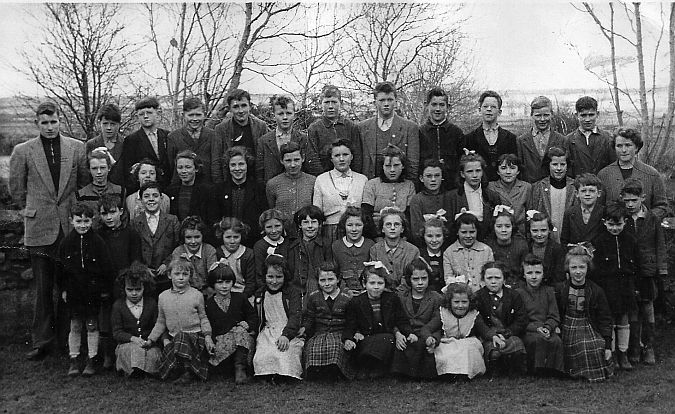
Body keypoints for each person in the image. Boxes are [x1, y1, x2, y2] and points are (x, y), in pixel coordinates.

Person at [9, 101, 90, 360]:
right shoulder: (23, 151)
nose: (50, 127)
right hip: (39, 228)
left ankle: (69, 339)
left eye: (53, 122)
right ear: (37, 123)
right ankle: (42, 340)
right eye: (44, 123)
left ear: (60, 121)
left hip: (68, 227)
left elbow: (83, 184)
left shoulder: (77, 148)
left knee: (71, 285)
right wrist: (31, 210)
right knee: (43, 289)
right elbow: (16, 190)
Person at [59, 203, 114, 377]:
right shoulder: (67, 242)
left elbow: (107, 268)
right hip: (74, 291)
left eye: (86, 221)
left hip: (92, 291)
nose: (83, 225)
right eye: (79, 221)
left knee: (92, 325)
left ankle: (92, 358)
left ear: (93, 220)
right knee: (75, 325)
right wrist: (63, 289)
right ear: (71, 221)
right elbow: (60, 270)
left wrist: (104, 289)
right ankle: (74, 359)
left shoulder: (98, 242)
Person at [147, 256, 215, 383]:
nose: (181, 277)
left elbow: (203, 317)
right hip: (175, 339)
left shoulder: (196, 295)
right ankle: (178, 370)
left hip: (194, 338)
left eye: (185, 274)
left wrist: (207, 336)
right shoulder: (163, 297)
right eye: (177, 274)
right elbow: (161, 322)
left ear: (190, 276)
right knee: (174, 343)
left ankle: (188, 372)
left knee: (182, 337)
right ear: (169, 275)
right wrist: (151, 339)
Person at [621, 178, 666, 366]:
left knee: (648, 309)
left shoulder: (652, 218)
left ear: (643, 198)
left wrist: (661, 269)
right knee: (632, 309)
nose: (630, 205)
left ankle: (649, 347)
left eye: (634, 200)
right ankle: (634, 347)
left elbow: (660, 244)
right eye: (626, 201)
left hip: (647, 271)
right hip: (629, 270)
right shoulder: (621, 218)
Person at [342, 261, 412, 379]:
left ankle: (377, 368)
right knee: (366, 345)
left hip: (387, 337)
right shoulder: (356, 302)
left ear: (385, 284)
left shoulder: (392, 298)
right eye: (372, 283)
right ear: (364, 284)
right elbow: (350, 324)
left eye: (380, 283)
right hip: (367, 338)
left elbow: (401, 320)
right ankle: (369, 367)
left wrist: (407, 333)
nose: (376, 287)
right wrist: (348, 338)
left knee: (387, 339)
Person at [590, 202, 638, 371]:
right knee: (608, 319)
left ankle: (623, 352)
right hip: (607, 286)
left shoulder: (630, 240)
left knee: (624, 318)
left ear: (625, 222)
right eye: (611, 224)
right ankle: (612, 353)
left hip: (626, 285)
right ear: (604, 222)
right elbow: (595, 269)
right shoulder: (599, 241)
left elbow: (636, 264)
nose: (615, 228)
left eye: (618, 224)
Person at [555, 245, 613, 382]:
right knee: (581, 345)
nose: (578, 272)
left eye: (582, 267)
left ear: (588, 268)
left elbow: (605, 318)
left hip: (588, 325)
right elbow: (555, 312)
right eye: (573, 268)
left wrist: (608, 344)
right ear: (567, 269)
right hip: (568, 325)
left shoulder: (596, 290)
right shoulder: (561, 289)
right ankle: (574, 372)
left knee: (596, 346)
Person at [98, 194, 142, 369]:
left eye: (112, 212)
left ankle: (126, 353)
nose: (109, 218)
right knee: (106, 319)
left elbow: (136, 260)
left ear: (121, 211)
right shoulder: (99, 235)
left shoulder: (131, 234)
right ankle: (107, 354)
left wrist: (127, 279)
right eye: (104, 214)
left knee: (125, 317)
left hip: (124, 282)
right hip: (104, 283)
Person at [597, 127, 669, 220]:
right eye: (619, 146)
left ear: (636, 147)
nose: (623, 150)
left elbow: (662, 207)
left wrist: (645, 218)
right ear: (614, 148)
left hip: (642, 230)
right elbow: (598, 207)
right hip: (614, 230)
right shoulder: (604, 174)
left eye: (628, 145)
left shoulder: (652, 174)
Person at [253, 254, 304, 382]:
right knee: (265, 353)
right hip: (269, 330)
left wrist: (286, 335)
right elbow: (258, 317)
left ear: (285, 276)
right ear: (264, 276)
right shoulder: (260, 293)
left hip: (288, 330)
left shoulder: (292, 292)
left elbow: (295, 316)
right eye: (270, 277)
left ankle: (285, 375)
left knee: (286, 353)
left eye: (279, 277)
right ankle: (267, 374)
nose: (274, 281)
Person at [205, 263, 258, 385]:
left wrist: (248, 324)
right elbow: (209, 326)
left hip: (241, 342)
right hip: (222, 342)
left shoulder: (240, 298)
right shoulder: (209, 304)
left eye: (227, 282)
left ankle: (240, 368)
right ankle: (227, 367)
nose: (224, 286)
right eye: (219, 282)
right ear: (213, 284)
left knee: (240, 332)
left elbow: (253, 316)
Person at [390, 258, 442, 379]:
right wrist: (397, 333)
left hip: (426, 335)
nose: (420, 283)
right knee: (403, 346)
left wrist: (434, 338)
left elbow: (437, 323)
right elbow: (395, 319)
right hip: (406, 334)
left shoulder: (436, 298)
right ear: (409, 280)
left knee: (422, 347)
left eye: (424, 279)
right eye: (415, 279)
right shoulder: (401, 296)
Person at [302, 262, 355, 381]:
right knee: (313, 348)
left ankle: (334, 373)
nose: (327, 284)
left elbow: (351, 321)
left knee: (335, 348)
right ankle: (316, 373)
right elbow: (310, 317)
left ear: (338, 279)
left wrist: (348, 338)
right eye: (323, 280)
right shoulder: (314, 297)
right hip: (320, 333)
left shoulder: (347, 298)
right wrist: (304, 328)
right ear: (318, 281)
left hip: (339, 333)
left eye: (331, 279)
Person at [474, 261, 528, 377]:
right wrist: (491, 335)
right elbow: (478, 322)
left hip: (508, 333)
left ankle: (515, 372)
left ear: (504, 280)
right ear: (483, 280)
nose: (493, 282)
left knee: (516, 345)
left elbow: (521, 319)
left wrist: (508, 333)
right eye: (489, 278)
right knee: (494, 352)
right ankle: (495, 372)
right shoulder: (478, 297)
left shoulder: (514, 295)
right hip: (489, 336)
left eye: (497, 278)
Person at [425, 282, 487, 380]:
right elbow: (427, 328)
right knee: (446, 351)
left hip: (467, 341)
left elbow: (484, 330)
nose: (460, 306)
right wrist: (428, 337)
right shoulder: (443, 313)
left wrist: (494, 336)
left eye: (464, 302)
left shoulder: (473, 314)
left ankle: (466, 374)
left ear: (470, 301)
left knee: (469, 349)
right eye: (456, 302)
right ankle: (449, 374)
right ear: (449, 302)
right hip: (448, 341)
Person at [256, 95, 321, 186]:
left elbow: (313, 168)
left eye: (289, 113)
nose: (285, 117)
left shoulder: (303, 139)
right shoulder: (264, 141)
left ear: (294, 115)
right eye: (280, 114)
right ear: (274, 115)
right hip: (273, 190)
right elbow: (259, 173)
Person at [359, 81, 419, 180]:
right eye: (382, 100)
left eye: (390, 100)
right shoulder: (362, 128)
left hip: (399, 188)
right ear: (375, 102)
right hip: (370, 187)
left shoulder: (410, 128)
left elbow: (413, 166)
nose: (386, 104)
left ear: (396, 101)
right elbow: (358, 163)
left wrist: (409, 189)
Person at [515, 254, 564, 375]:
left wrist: (548, 327)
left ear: (543, 274)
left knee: (556, 341)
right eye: (529, 273)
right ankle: (537, 370)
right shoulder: (518, 293)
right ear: (523, 274)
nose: (534, 277)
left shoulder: (548, 291)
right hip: (528, 330)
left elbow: (554, 315)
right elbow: (519, 319)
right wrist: (536, 328)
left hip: (546, 327)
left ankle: (554, 370)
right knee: (536, 340)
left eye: (537, 272)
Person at [110, 262, 161, 378]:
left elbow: (157, 325)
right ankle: (135, 371)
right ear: (123, 289)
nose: (134, 293)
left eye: (138, 289)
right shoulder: (118, 305)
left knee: (152, 353)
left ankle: (146, 371)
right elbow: (117, 332)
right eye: (130, 289)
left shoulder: (151, 304)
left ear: (144, 288)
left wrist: (150, 341)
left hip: (148, 344)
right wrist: (132, 338)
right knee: (131, 350)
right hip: (127, 344)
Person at [313, 139, 368, 246]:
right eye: (337, 155)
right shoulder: (321, 179)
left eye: (345, 154)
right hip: (330, 232)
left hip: (356, 231)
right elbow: (317, 212)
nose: (341, 159)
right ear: (331, 158)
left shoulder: (362, 180)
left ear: (351, 156)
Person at [131, 182, 181, 293]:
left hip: (167, 275)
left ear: (161, 198)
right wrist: (144, 268)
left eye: (155, 195)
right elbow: (133, 250)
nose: (151, 199)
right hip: (145, 276)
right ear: (141, 200)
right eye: (146, 196)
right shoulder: (134, 223)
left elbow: (178, 246)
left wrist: (167, 264)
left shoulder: (172, 220)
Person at [212, 89, 270, 184]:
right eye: (236, 107)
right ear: (230, 109)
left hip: (255, 180)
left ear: (250, 106)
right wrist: (219, 185)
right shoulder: (221, 129)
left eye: (244, 105)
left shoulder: (261, 126)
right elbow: (216, 160)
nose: (240, 111)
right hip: (230, 180)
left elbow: (266, 158)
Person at [215, 146, 267, 248]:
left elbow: (262, 217)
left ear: (247, 165)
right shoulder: (219, 190)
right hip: (227, 243)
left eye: (241, 164)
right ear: (228, 167)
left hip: (252, 242)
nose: (237, 169)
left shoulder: (258, 189)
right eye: (233, 165)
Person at [361, 144, 416, 239]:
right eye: (387, 166)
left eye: (396, 165)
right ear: (382, 166)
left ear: (403, 166)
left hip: (401, 236)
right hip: (377, 235)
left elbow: (409, 216)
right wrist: (376, 236)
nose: (392, 170)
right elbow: (367, 215)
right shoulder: (372, 184)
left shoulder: (409, 185)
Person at [117, 97, 171, 193]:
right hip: (144, 191)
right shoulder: (131, 140)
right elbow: (129, 170)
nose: (145, 116)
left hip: (167, 189)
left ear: (157, 113)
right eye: (141, 114)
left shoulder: (167, 136)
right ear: (137, 117)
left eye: (149, 113)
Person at [445, 151, 500, 243]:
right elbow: (449, 226)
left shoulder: (492, 196)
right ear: (462, 174)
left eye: (478, 171)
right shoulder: (452, 197)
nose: (474, 175)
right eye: (470, 171)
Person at [265, 141, 317, 239]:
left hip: (307, 234)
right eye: (288, 160)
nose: (292, 165)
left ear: (303, 158)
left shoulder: (313, 181)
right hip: (283, 236)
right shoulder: (272, 184)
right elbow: (271, 208)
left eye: (296, 160)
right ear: (281, 161)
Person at [307, 85, 363, 173]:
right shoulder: (314, 128)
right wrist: (323, 179)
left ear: (340, 103)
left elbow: (357, 156)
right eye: (326, 102)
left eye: (334, 102)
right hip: (324, 178)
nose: (330, 106)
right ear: (320, 104)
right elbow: (313, 158)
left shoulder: (351, 126)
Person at [464, 90, 518, 182]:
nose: (489, 109)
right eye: (485, 106)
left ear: (499, 112)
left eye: (493, 107)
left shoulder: (510, 138)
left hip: (503, 188)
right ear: (479, 110)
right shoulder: (469, 138)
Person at [164, 150, 221, 237]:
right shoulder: (170, 191)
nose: (183, 171)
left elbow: (212, 220)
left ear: (196, 168)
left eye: (188, 167)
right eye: (180, 167)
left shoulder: (208, 190)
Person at [528, 146, 576, 244]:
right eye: (554, 164)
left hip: (569, 240)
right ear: (548, 165)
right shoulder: (538, 187)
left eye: (562, 164)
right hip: (546, 241)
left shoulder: (575, 187)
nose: (559, 168)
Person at [418, 87, 463, 190]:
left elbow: (461, 163)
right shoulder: (420, 132)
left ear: (448, 107)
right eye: (434, 104)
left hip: (452, 188)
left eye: (442, 105)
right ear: (426, 106)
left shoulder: (457, 133)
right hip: (426, 190)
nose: (438, 109)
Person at [516, 96, 568, 183]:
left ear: (552, 115)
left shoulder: (561, 140)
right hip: (530, 189)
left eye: (546, 115)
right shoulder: (521, 141)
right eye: (538, 116)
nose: (542, 119)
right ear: (531, 115)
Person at [368, 207, 420, 292]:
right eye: (388, 224)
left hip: (406, 294)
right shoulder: (375, 250)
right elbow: (374, 275)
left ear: (402, 228)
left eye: (396, 224)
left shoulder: (413, 250)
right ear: (382, 228)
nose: (392, 228)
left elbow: (411, 277)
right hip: (382, 293)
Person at [167, 97, 215, 185]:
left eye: (198, 115)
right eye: (190, 115)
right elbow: (171, 166)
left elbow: (216, 163)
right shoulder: (173, 137)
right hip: (182, 185)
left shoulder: (213, 135)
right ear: (183, 115)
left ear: (204, 115)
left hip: (207, 185)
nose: (195, 119)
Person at [287, 205, 332, 300]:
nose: (310, 226)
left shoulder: (326, 244)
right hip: (297, 292)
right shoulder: (293, 246)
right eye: (306, 222)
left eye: (314, 222)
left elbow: (330, 267)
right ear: (300, 225)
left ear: (320, 224)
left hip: (320, 290)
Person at [443, 212, 494, 292]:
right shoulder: (449, 252)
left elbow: (491, 275)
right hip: (460, 296)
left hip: (483, 295)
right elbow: (448, 279)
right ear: (457, 232)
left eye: (472, 232)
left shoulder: (486, 250)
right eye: (463, 232)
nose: (468, 236)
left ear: (477, 231)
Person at [566, 96, 616, 177]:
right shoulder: (569, 140)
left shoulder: (608, 139)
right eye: (583, 115)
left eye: (591, 115)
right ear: (576, 115)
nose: (587, 119)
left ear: (597, 114)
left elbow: (614, 167)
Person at [331, 206, 375, 296]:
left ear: (364, 225)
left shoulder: (370, 245)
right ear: (344, 226)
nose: (354, 229)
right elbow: (335, 273)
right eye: (350, 225)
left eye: (358, 225)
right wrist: (345, 290)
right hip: (343, 293)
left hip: (367, 292)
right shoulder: (336, 246)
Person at [76, 148, 125, 229]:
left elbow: (123, 218)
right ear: (89, 170)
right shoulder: (81, 194)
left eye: (102, 168)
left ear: (109, 168)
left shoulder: (119, 191)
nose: (99, 172)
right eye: (94, 168)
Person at [168, 216, 217, 295]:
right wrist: (188, 265)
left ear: (202, 236)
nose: (193, 241)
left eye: (197, 237)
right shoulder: (178, 252)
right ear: (183, 237)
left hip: (208, 291)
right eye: (188, 237)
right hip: (185, 292)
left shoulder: (209, 250)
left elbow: (212, 277)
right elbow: (178, 280)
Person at [484, 206, 529, 287]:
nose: (503, 230)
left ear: (513, 227)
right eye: (499, 226)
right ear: (493, 227)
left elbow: (525, 272)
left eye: (507, 226)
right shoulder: (488, 246)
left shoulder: (521, 245)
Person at [214, 217, 257, 299]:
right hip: (222, 293)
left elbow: (251, 282)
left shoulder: (248, 254)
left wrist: (242, 298)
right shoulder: (218, 252)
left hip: (244, 294)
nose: (232, 241)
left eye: (236, 237)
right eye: (228, 237)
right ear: (222, 236)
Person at [487, 154, 531, 232]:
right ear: (497, 171)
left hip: (520, 232)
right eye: (503, 168)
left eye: (512, 168)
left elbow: (529, 213)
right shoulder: (491, 187)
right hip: (499, 231)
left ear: (518, 171)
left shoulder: (526, 187)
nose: (508, 172)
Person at [409, 159, 451, 242]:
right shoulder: (417, 200)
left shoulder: (449, 197)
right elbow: (416, 229)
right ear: (421, 178)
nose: (433, 179)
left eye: (437, 175)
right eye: (428, 176)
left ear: (442, 177)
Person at [561, 173, 604, 246]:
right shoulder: (569, 213)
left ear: (599, 193)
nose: (587, 194)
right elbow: (564, 240)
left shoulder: (604, 212)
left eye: (592, 191)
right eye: (583, 191)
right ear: (577, 193)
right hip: (575, 255)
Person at [86, 103, 125, 185]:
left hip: (121, 191)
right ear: (99, 123)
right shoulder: (91, 144)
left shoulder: (126, 144)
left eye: (113, 124)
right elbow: (86, 172)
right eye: (105, 123)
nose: (109, 128)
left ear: (119, 124)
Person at [253, 209, 291, 290]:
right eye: (269, 227)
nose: (274, 231)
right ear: (263, 228)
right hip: (267, 289)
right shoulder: (260, 246)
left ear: (283, 225)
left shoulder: (288, 243)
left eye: (277, 226)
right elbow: (259, 273)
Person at [526, 210, 565, 285]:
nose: (539, 234)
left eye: (543, 230)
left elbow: (559, 278)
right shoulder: (526, 248)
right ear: (529, 231)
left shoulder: (557, 249)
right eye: (535, 231)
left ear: (549, 230)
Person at [417, 215, 448, 293]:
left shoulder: (448, 254)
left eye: (438, 236)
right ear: (423, 236)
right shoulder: (419, 255)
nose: (434, 240)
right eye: (429, 236)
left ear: (444, 236)